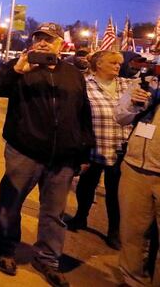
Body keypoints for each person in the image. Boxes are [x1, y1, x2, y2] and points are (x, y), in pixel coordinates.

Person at [0, 22, 94, 287]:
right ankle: (5, 249)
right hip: (25, 151)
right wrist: (16, 71)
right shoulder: (22, 67)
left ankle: (47, 259)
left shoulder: (72, 73)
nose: (43, 43)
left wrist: (84, 151)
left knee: (54, 212)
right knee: (11, 203)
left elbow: (83, 113)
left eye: (49, 39)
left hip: (63, 158)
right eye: (39, 38)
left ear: (61, 44)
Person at [65, 50, 132, 250]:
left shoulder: (127, 85)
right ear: (99, 64)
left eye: (119, 63)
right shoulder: (86, 85)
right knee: (86, 186)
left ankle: (114, 230)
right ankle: (81, 217)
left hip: (121, 148)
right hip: (94, 147)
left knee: (115, 193)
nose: (117, 66)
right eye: (112, 62)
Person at [114, 79, 160, 286]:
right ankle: (133, 281)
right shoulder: (146, 83)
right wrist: (133, 103)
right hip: (135, 168)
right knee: (132, 233)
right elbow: (121, 117)